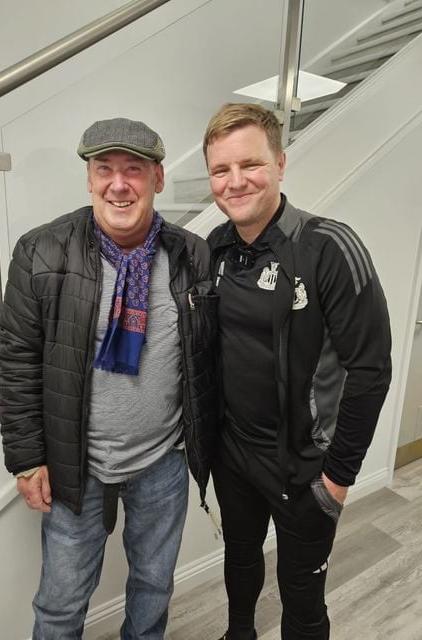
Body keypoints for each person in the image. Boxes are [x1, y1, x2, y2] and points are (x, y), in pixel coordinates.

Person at [0, 117, 218, 640]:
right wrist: (27, 459)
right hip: (77, 463)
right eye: (104, 170)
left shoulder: (192, 255)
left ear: (158, 179)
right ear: (90, 178)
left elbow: (206, 357)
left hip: (163, 461)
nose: (118, 184)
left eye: (134, 171)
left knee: (153, 586)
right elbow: (18, 359)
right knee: (61, 600)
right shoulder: (42, 252)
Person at [203, 103, 391, 640]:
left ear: (280, 163)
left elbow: (371, 370)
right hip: (234, 456)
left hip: (305, 470)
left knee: (302, 601)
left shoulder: (329, 247)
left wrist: (338, 478)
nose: (235, 182)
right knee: (239, 568)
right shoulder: (215, 249)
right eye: (221, 170)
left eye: (250, 165)